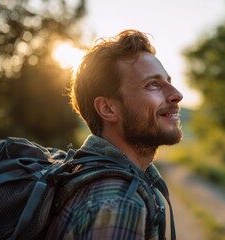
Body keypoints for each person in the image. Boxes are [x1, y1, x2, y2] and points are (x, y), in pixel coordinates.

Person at [45, 30, 183, 239]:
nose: (177, 95)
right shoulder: (119, 204)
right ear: (108, 109)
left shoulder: (86, 171)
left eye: (168, 81)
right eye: (153, 84)